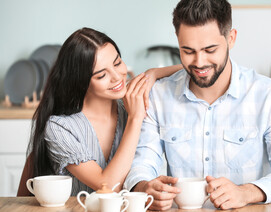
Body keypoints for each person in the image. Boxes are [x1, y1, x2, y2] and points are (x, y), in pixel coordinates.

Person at [124, 0, 271, 210]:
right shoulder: (159, 96)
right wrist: (144, 186)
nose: (199, 62)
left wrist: (246, 192)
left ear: (231, 38)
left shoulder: (268, 94)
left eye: (210, 49)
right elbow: (142, 163)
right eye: (188, 51)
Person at [22, 27, 182, 196]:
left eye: (117, 63)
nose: (117, 77)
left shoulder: (129, 99)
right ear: (81, 82)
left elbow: (193, 69)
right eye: (101, 75)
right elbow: (107, 185)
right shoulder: (59, 127)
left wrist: (153, 73)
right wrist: (135, 119)